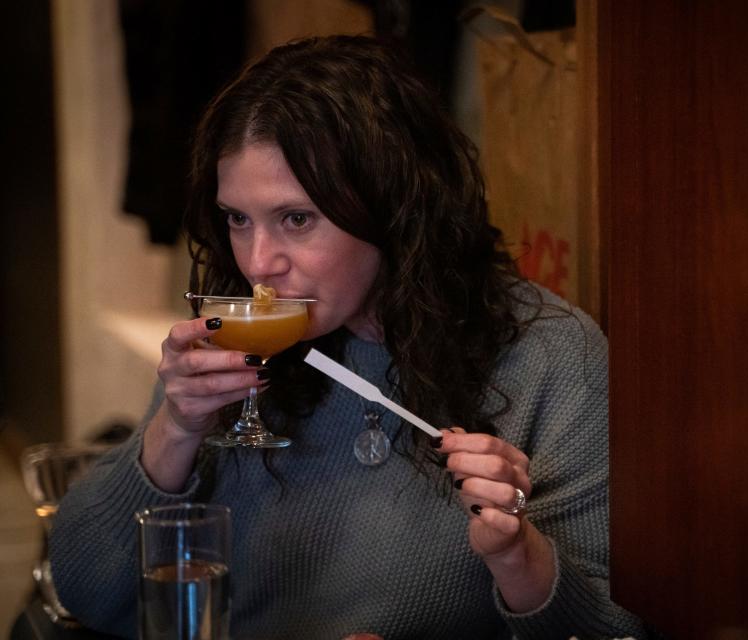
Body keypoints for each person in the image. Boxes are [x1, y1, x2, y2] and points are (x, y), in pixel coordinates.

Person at [49, 35, 654, 640]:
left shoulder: (548, 355)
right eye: (238, 218)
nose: (259, 263)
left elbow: (616, 629)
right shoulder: (229, 341)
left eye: (296, 219)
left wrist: (517, 555)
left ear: (391, 207)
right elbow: (85, 590)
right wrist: (173, 431)